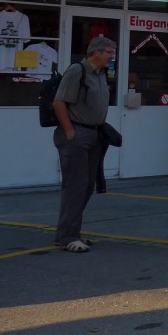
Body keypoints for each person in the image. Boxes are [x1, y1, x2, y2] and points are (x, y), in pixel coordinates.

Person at [52, 35, 115, 253]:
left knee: (87, 186)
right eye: (108, 52)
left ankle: (69, 233)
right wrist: (70, 131)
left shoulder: (100, 74)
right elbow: (59, 102)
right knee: (75, 186)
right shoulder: (77, 71)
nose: (111, 56)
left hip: (95, 135)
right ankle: (69, 236)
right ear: (96, 52)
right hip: (77, 133)